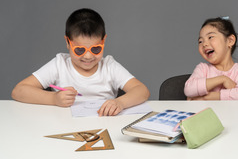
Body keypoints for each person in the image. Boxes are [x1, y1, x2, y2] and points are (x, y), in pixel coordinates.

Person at [11, 8, 150, 116]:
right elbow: (18, 91)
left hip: (104, 126)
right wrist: (54, 99)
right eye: (79, 50)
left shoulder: (109, 66)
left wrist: (120, 102)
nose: (88, 56)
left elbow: (142, 90)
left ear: (104, 41)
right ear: (67, 42)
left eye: (96, 49)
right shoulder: (59, 64)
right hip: (64, 127)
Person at [184, 17, 238, 100]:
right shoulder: (202, 68)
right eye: (200, 41)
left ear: (230, 41)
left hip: (235, 113)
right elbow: (188, 89)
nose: (204, 44)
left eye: (210, 37)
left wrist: (205, 98)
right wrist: (222, 79)